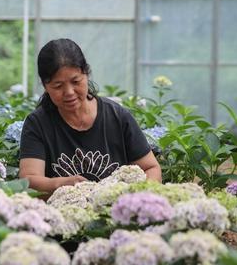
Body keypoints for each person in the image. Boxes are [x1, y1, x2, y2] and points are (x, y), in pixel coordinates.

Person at [19, 38, 161, 193]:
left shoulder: (117, 117)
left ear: (86, 74)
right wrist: (61, 184)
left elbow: (151, 168)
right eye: (58, 86)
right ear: (45, 86)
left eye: (76, 81)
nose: (69, 92)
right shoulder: (38, 124)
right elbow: (29, 181)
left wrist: (135, 198)